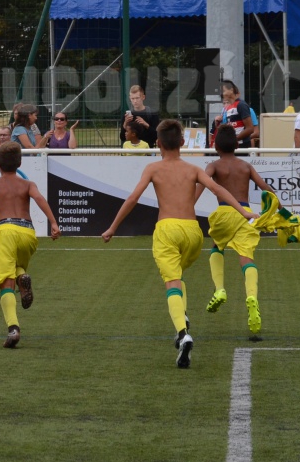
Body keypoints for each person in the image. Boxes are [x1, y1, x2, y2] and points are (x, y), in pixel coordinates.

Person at [101, 119, 256, 368]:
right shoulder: (194, 169)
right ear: (183, 143)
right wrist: (244, 211)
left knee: (172, 282)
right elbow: (218, 189)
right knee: (179, 274)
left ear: (158, 143)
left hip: (167, 229)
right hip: (193, 233)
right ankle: (182, 316)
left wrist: (112, 227)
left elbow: (133, 198)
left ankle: (183, 334)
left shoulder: (153, 168)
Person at [0, 141, 60, 348]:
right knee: (17, 266)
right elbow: (40, 200)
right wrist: (53, 223)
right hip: (28, 233)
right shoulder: (28, 185)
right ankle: (22, 277)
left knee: (4, 281)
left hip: (6, 230)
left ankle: (13, 328)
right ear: (19, 163)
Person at [203, 125, 280, 338]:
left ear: (215, 145)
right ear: (238, 145)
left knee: (216, 246)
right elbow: (265, 187)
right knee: (247, 258)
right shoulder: (245, 166)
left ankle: (219, 288)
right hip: (247, 213)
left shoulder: (214, 165)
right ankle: (252, 297)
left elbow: (203, 183)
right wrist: (282, 209)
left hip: (225, 212)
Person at [215, 80, 255, 149]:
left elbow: (250, 129)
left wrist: (234, 139)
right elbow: (232, 126)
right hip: (232, 145)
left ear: (231, 90)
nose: (221, 94)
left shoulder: (241, 105)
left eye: (223, 91)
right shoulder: (228, 107)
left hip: (241, 146)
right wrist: (218, 125)